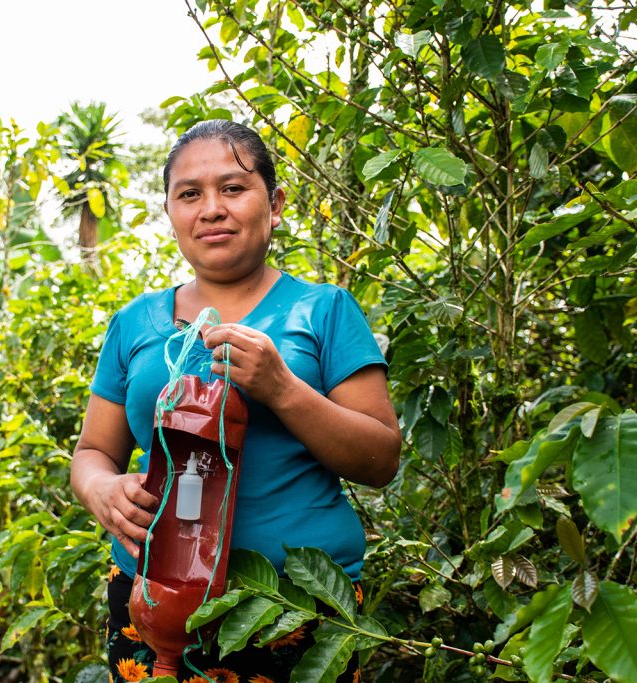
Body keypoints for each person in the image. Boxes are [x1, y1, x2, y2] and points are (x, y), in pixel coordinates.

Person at [70, 119, 401, 683]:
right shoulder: (135, 324)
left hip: (294, 605)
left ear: (273, 205)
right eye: (189, 194)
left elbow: (380, 461)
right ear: (172, 214)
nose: (212, 209)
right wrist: (102, 490)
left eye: (233, 188)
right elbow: (93, 451)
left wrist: (282, 388)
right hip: (153, 593)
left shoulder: (323, 311)